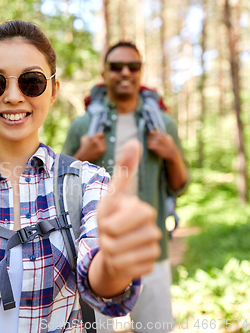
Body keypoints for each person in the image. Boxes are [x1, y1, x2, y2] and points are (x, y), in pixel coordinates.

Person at [0, 21, 162, 332]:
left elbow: (102, 281)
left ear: (53, 91)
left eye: (31, 82)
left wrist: (116, 263)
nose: (12, 96)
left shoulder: (87, 183)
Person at [62, 41, 189, 333]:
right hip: (97, 254)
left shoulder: (162, 125)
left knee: (155, 329)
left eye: (133, 66)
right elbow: (60, 189)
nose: (125, 72)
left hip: (151, 251)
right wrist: (81, 156)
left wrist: (172, 154)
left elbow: (180, 186)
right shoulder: (83, 127)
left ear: (141, 72)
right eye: (116, 66)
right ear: (104, 73)